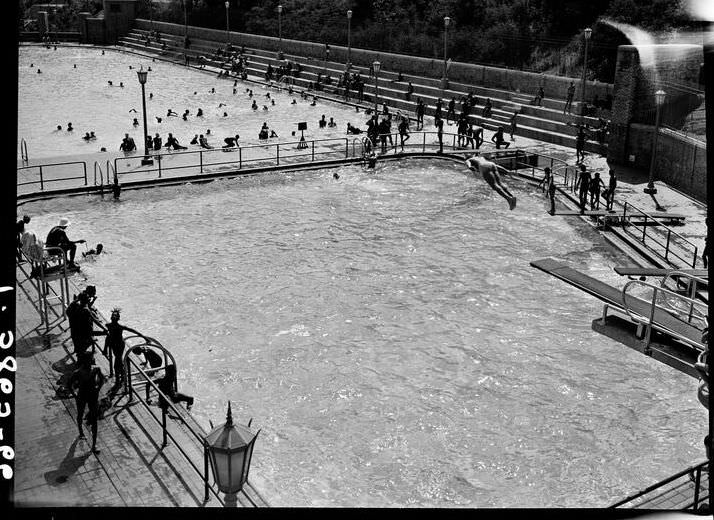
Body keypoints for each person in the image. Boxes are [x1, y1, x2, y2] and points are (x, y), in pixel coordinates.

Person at [69, 352, 104, 454]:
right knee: (80, 414)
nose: (92, 360)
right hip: (82, 397)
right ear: (85, 361)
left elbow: (102, 379)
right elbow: (69, 384)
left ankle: (94, 445)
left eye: (92, 358)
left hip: (93, 397)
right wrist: (75, 395)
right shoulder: (78, 372)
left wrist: (98, 388)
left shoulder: (96, 369)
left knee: (94, 420)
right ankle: (80, 432)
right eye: (90, 359)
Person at [96, 308, 139, 386]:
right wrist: (105, 348)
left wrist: (142, 336)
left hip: (119, 345)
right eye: (113, 315)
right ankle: (122, 375)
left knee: (117, 362)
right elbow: (107, 337)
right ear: (111, 317)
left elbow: (132, 330)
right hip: (113, 345)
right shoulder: (108, 325)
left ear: (118, 318)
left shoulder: (120, 326)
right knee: (118, 360)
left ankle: (118, 380)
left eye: (115, 316)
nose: (114, 317)